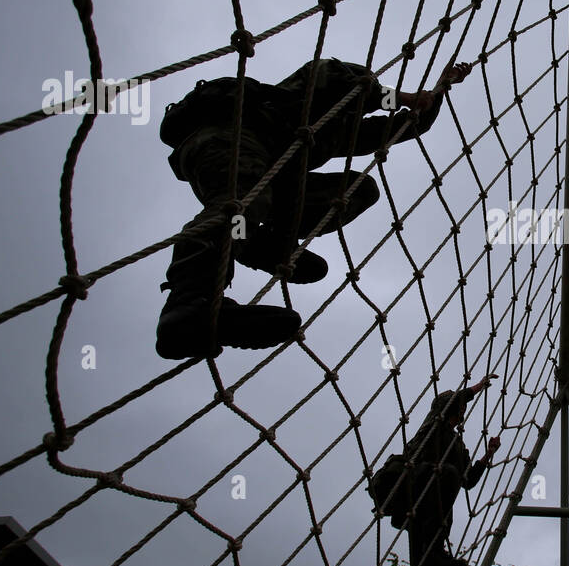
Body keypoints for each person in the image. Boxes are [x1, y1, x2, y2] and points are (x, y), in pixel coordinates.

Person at [154, 58, 472, 359]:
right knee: (243, 205)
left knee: (359, 190)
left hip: (276, 173)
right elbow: (350, 81)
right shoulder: (313, 91)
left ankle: (266, 242)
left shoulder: (340, 132)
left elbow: (412, 125)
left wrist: (442, 88)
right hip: (229, 135)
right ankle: (190, 299)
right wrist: (405, 97)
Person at [389, 375, 499, 566]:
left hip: (436, 519)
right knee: (445, 473)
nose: (461, 410)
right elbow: (446, 401)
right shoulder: (432, 427)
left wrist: (488, 454)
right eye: (459, 406)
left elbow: (468, 481)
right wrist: (477, 388)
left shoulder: (457, 446)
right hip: (418, 497)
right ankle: (435, 554)